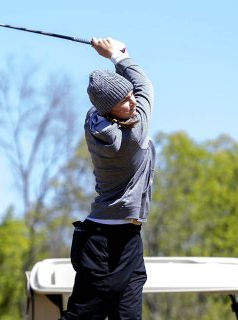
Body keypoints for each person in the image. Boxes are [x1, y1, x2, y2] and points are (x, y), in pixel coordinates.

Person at [60, 37, 156, 320]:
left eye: (130, 96)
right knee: (82, 316)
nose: (133, 102)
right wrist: (117, 56)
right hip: (104, 243)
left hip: (126, 236)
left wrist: (117, 59)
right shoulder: (130, 138)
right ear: (110, 111)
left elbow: (132, 90)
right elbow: (145, 85)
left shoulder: (94, 118)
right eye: (124, 102)